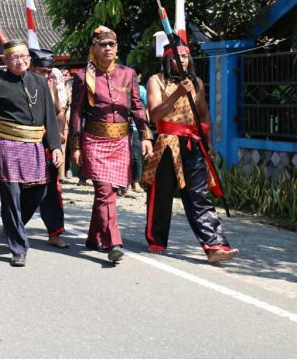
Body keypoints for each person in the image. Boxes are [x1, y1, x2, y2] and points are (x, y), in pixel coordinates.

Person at [143, 42, 238, 263]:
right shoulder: (155, 81)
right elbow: (155, 115)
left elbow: (203, 115)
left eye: (185, 57)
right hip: (167, 143)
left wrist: (209, 142)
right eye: (177, 57)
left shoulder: (197, 83)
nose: (182, 61)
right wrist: (177, 93)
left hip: (193, 144)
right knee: (161, 195)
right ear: (167, 60)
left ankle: (214, 246)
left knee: (199, 195)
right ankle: (156, 239)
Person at [68, 26, 152, 264]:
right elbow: (76, 114)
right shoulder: (84, 77)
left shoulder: (128, 74)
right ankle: (113, 242)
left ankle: (94, 236)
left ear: (116, 48)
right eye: (102, 44)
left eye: (111, 45)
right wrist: (75, 146)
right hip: (94, 140)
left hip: (121, 141)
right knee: (105, 191)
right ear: (94, 48)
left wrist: (146, 136)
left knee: (108, 192)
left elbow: (137, 106)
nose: (107, 48)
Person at [0, 42, 63, 267]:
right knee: (11, 195)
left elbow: (50, 115)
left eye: (24, 56)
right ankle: (18, 248)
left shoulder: (39, 81)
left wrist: (55, 146)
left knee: (39, 191)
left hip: (35, 144)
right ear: (6, 61)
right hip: (7, 144)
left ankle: (14, 224)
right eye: (15, 58)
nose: (20, 61)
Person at [28, 48, 69, 249]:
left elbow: (59, 112)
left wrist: (59, 132)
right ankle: (14, 223)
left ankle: (54, 232)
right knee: (22, 189)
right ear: (30, 67)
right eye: (40, 72)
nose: (44, 76)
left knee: (52, 188)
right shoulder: (19, 84)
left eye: (47, 72)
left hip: (46, 143)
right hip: (23, 142)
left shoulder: (50, 85)